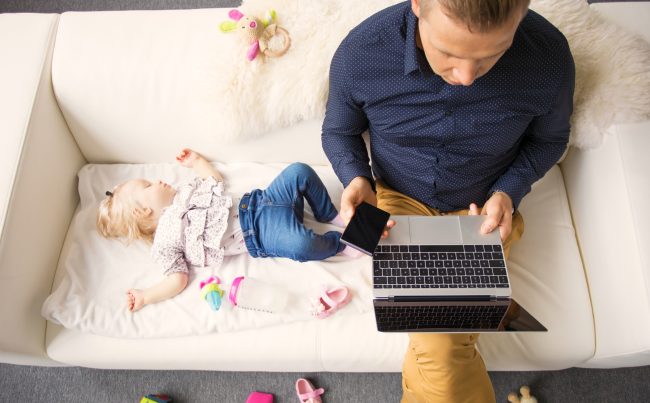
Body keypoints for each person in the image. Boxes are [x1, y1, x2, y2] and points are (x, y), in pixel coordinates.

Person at [322, 0, 574, 401]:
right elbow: (338, 131)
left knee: (439, 344)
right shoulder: (362, 53)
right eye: (450, 54)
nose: (467, 76)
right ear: (419, 5)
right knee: (443, 343)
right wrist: (357, 179)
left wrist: (509, 191)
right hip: (397, 203)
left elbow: (550, 139)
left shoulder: (549, 57)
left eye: (493, 55)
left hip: (484, 210)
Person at [97, 149, 361, 312]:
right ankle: (339, 243)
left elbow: (213, 180)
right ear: (141, 212)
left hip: (261, 200)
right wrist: (145, 296)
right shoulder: (165, 243)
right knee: (301, 245)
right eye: (148, 186)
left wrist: (197, 161)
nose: (157, 181)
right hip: (260, 233)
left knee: (299, 171)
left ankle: (329, 213)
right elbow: (176, 280)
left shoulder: (185, 193)